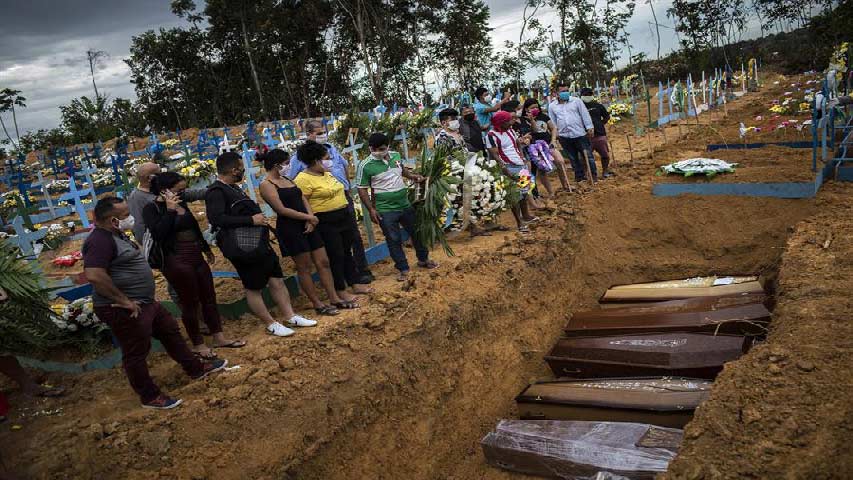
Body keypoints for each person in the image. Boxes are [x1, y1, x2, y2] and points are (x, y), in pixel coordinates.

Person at [83, 197, 227, 409]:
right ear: (113, 221)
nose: (131, 218)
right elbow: (94, 275)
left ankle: (196, 368)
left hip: (146, 302)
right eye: (125, 215)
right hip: (126, 308)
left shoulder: (117, 235)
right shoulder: (99, 241)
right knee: (136, 352)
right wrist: (124, 301)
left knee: (170, 332)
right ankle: (149, 396)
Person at [205, 152, 316, 337]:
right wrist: (251, 220)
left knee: (276, 279)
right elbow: (217, 219)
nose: (242, 171)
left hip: (258, 242)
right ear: (233, 170)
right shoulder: (216, 192)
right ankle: (270, 323)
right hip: (242, 247)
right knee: (253, 286)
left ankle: (290, 315)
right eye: (241, 167)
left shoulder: (234, 188)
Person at [142, 172, 245, 359]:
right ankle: (197, 343)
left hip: (195, 254)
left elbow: (193, 227)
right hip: (175, 259)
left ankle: (218, 336)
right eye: (178, 190)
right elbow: (159, 233)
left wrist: (205, 248)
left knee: (209, 297)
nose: (182, 193)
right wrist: (170, 210)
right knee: (189, 302)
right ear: (164, 190)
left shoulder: (181, 202)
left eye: (183, 190)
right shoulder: (152, 208)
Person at [259, 148, 352, 314]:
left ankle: (334, 298)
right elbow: (281, 209)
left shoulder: (287, 179)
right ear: (276, 165)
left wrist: (310, 217)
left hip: (308, 223)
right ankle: (317, 303)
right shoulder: (267, 185)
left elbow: (302, 198)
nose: (289, 166)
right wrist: (307, 217)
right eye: (286, 163)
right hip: (290, 228)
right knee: (304, 266)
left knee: (323, 262)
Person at [288, 120, 374, 287]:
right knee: (335, 246)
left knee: (353, 237)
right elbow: (294, 182)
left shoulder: (330, 148)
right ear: (309, 134)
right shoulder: (299, 157)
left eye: (323, 132)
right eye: (319, 133)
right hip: (322, 207)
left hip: (342, 197)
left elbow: (343, 166)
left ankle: (360, 271)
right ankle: (340, 280)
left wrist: (346, 188)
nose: (323, 135)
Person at [356, 133, 438, 281]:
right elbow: (361, 189)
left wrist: (412, 176)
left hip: (404, 204)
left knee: (416, 232)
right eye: (375, 150)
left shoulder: (395, 155)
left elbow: (402, 170)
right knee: (393, 239)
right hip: (385, 209)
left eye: (382, 149)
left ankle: (423, 259)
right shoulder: (365, 165)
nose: (379, 152)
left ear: (387, 147)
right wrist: (371, 209)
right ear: (370, 148)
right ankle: (403, 268)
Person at [292, 142, 364, 307]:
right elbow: (303, 202)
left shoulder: (327, 174)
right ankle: (340, 289)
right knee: (335, 255)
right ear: (315, 160)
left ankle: (354, 282)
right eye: (326, 158)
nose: (330, 161)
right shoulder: (302, 179)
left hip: (342, 216)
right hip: (326, 221)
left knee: (347, 251)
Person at [127, 162, 207, 306]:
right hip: (165, 246)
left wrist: (214, 189)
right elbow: (139, 227)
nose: (163, 173)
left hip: (183, 245)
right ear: (148, 178)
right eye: (158, 172)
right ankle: (187, 310)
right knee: (176, 282)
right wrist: (153, 249)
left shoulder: (165, 190)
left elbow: (187, 194)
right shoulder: (137, 198)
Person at [436, 108, 489, 237]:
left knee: (467, 199)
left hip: (465, 170)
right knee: (460, 201)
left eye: (456, 118)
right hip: (454, 174)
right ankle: (466, 226)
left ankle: (471, 226)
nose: (456, 121)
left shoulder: (457, 134)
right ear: (444, 123)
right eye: (452, 119)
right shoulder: (443, 137)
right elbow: (444, 158)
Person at [487, 111, 537, 233]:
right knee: (514, 196)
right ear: (501, 122)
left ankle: (526, 216)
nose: (511, 122)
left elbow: (517, 144)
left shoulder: (510, 130)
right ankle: (519, 223)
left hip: (520, 164)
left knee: (524, 192)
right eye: (508, 121)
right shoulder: (491, 135)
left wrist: (523, 157)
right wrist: (504, 168)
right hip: (509, 167)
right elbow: (494, 154)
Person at [518, 98, 572, 195]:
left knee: (560, 161)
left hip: (548, 144)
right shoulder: (522, 120)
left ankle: (566, 185)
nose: (535, 109)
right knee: (542, 170)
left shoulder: (543, 116)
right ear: (526, 109)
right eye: (532, 107)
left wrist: (553, 140)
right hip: (534, 147)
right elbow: (531, 132)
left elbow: (553, 128)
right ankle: (551, 192)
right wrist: (531, 120)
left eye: (537, 107)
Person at [549, 85, 597, 183]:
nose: (565, 93)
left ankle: (593, 175)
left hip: (579, 133)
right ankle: (580, 177)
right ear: (556, 93)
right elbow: (553, 121)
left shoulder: (576, 101)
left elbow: (584, 114)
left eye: (567, 91)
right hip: (564, 136)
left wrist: (589, 127)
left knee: (588, 156)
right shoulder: (552, 106)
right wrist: (555, 133)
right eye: (563, 91)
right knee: (573, 158)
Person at [580, 87, 613, 178]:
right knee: (585, 157)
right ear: (581, 96)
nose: (587, 96)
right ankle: (586, 174)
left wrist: (600, 124)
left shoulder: (598, 106)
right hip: (585, 136)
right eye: (585, 95)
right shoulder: (579, 107)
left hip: (599, 134)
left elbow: (606, 117)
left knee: (605, 155)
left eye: (589, 94)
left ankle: (605, 171)